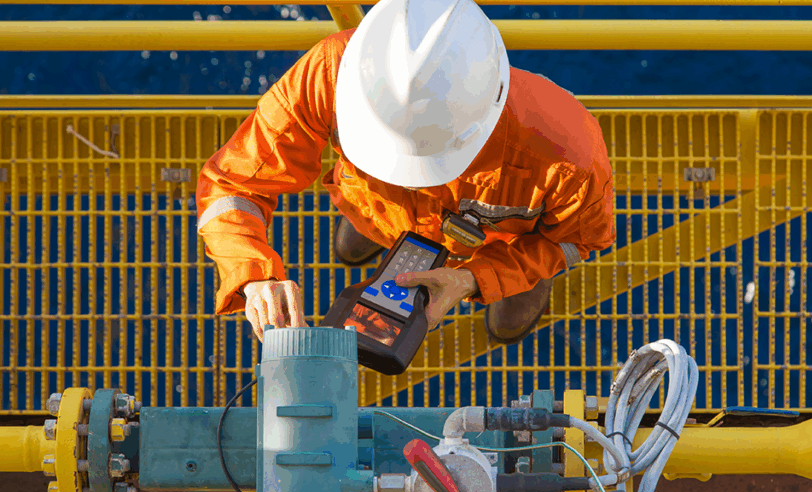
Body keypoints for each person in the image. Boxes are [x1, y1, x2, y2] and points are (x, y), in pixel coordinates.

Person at [195, 0, 614, 346]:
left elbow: (578, 239)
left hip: (495, 246)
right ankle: (374, 235)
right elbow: (233, 183)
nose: (412, 178)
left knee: (508, 319)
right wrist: (253, 276)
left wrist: (474, 278)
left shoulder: (568, 154)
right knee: (356, 242)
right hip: (372, 206)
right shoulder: (329, 73)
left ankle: (509, 284)